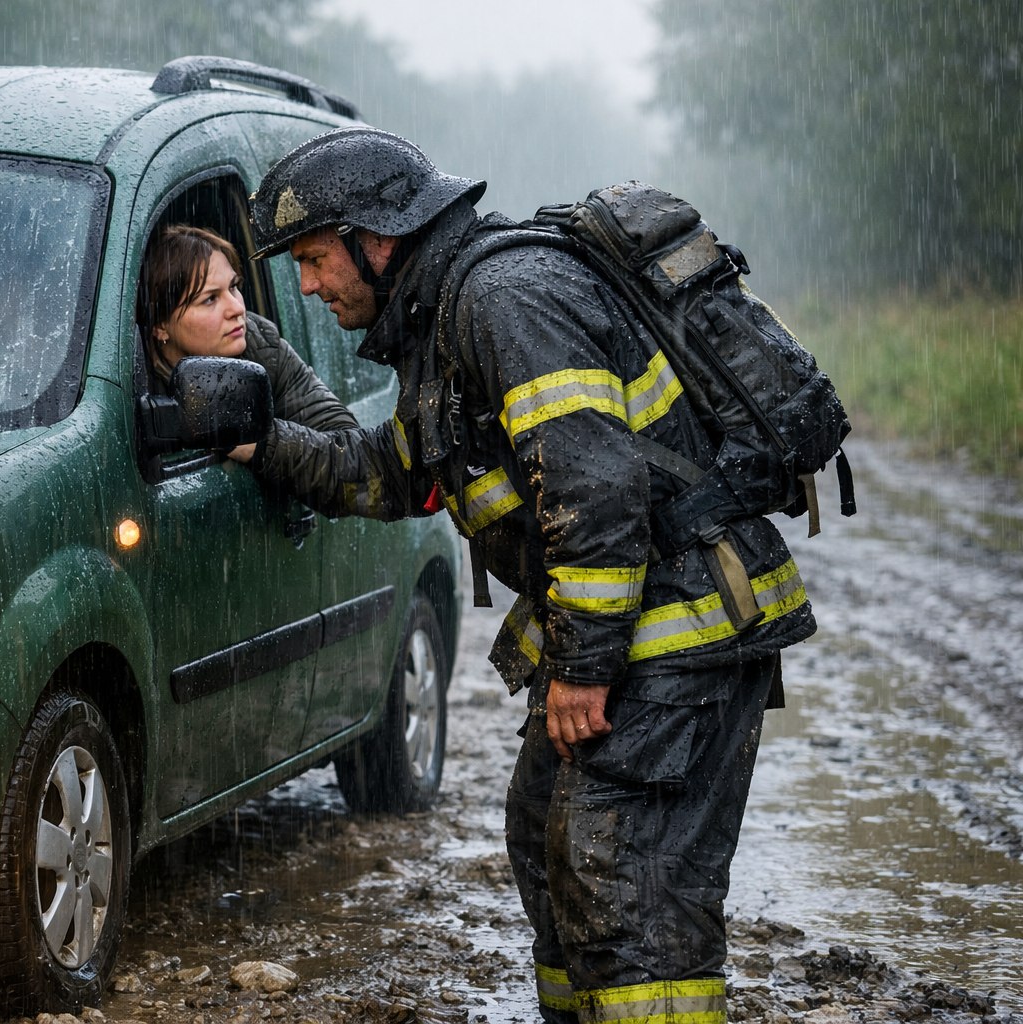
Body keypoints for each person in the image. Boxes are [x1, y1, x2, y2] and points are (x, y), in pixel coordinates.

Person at [235, 126, 817, 1024]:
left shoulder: (505, 299)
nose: (310, 285)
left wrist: (582, 670)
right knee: (547, 834)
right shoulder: (446, 323)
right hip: (641, 626)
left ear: (377, 241)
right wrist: (260, 439)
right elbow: (391, 473)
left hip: (679, 629)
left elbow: (595, 487)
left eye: (314, 260)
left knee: (624, 885)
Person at [136, 224, 357, 440]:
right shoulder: (134, 388)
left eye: (233, 287)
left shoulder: (260, 344)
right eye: (210, 299)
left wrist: (258, 441)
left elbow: (344, 442)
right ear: (160, 326)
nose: (238, 308)